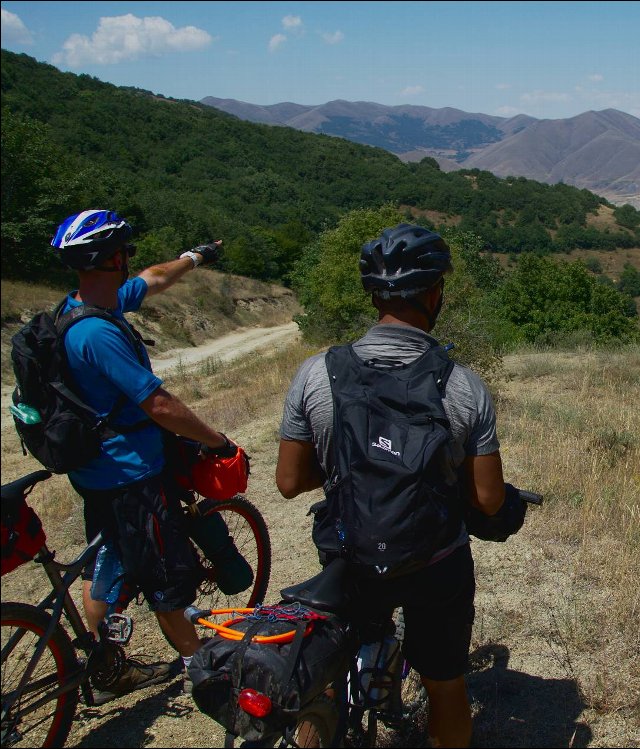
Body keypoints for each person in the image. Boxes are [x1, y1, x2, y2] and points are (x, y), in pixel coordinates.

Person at [276, 223, 506, 748]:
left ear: (372, 294)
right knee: (446, 687)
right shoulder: (464, 386)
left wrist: (344, 468)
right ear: (434, 293)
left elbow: (289, 481)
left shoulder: (316, 374)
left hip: (350, 552)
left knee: (328, 676)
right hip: (435, 562)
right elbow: (488, 498)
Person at [50, 209, 245, 704]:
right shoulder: (97, 333)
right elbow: (157, 404)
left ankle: (106, 663)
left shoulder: (85, 307)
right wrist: (216, 440)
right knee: (165, 577)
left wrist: (195, 257)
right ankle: (205, 670)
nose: (130, 260)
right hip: (130, 472)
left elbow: (153, 279)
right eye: (125, 252)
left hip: (96, 472)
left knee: (109, 562)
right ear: (112, 256)